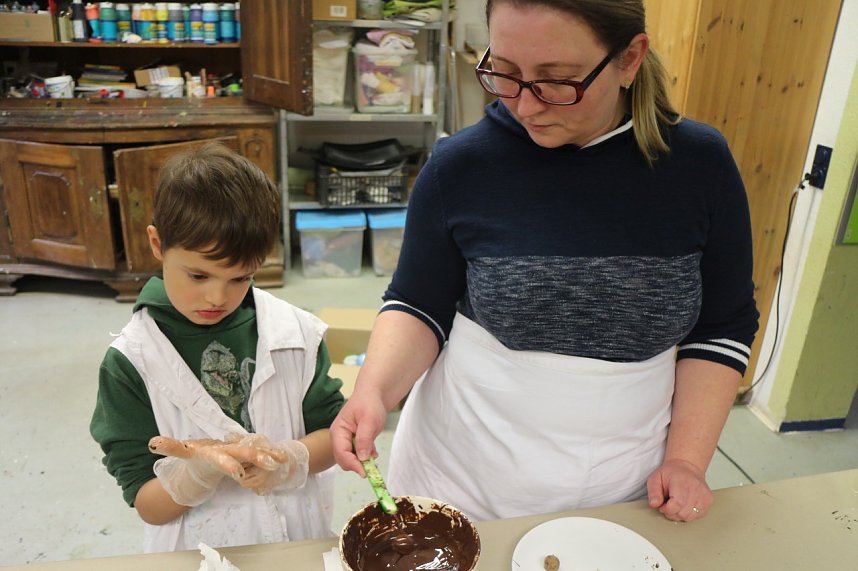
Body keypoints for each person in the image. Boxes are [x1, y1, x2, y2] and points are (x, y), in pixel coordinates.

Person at [331, 0, 759, 524]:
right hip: (465, 470)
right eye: (504, 73)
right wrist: (374, 392)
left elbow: (722, 326)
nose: (526, 107)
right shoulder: (460, 167)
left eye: (557, 81)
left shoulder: (700, 167)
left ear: (629, 59)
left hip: (626, 475)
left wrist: (687, 460)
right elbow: (418, 302)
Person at [90, 143, 346, 552]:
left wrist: (288, 461)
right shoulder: (130, 363)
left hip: (295, 544)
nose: (216, 297)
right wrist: (194, 475)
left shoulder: (295, 335)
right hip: (197, 552)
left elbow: (334, 434)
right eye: (197, 275)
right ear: (157, 244)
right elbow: (148, 504)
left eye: (240, 278)